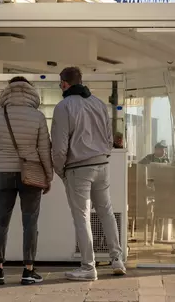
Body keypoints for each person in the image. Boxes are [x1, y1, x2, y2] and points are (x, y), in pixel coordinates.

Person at [52, 67, 126, 281]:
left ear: (64, 83)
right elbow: (109, 136)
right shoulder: (98, 103)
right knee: (106, 212)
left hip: (78, 168)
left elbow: (59, 145)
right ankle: (117, 259)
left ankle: (88, 267)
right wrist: (103, 155)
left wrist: (60, 170)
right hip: (102, 164)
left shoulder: (63, 107)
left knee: (82, 217)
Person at [0, 77, 53, 286]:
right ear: (31, 92)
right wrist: (48, 176)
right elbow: (44, 150)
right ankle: (28, 271)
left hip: (4, 174)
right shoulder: (38, 116)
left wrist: (3, 162)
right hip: (31, 175)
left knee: (1, 222)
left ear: (7, 91)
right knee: (30, 222)